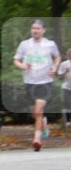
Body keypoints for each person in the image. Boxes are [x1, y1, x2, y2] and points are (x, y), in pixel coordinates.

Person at [13, 19, 61, 151]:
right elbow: (16, 59)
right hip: (29, 82)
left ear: (43, 30)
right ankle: (44, 126)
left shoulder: (50, 44)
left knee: (38, 111)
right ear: (31, 30)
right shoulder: (24, 44)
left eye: (38, 28)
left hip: (45, 82)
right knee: (35, 113)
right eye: (33, 28)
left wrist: (55, 67)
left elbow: (57, 57)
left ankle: (37, 140)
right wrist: (22, 65)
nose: (35, 30)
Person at [58, 47, 71, 134]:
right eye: (69, 54)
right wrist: (65, 72)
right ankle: (68, 122)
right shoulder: (64, 64)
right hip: (66, 87)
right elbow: (60, 77)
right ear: (67, 55)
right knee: (67, 105)